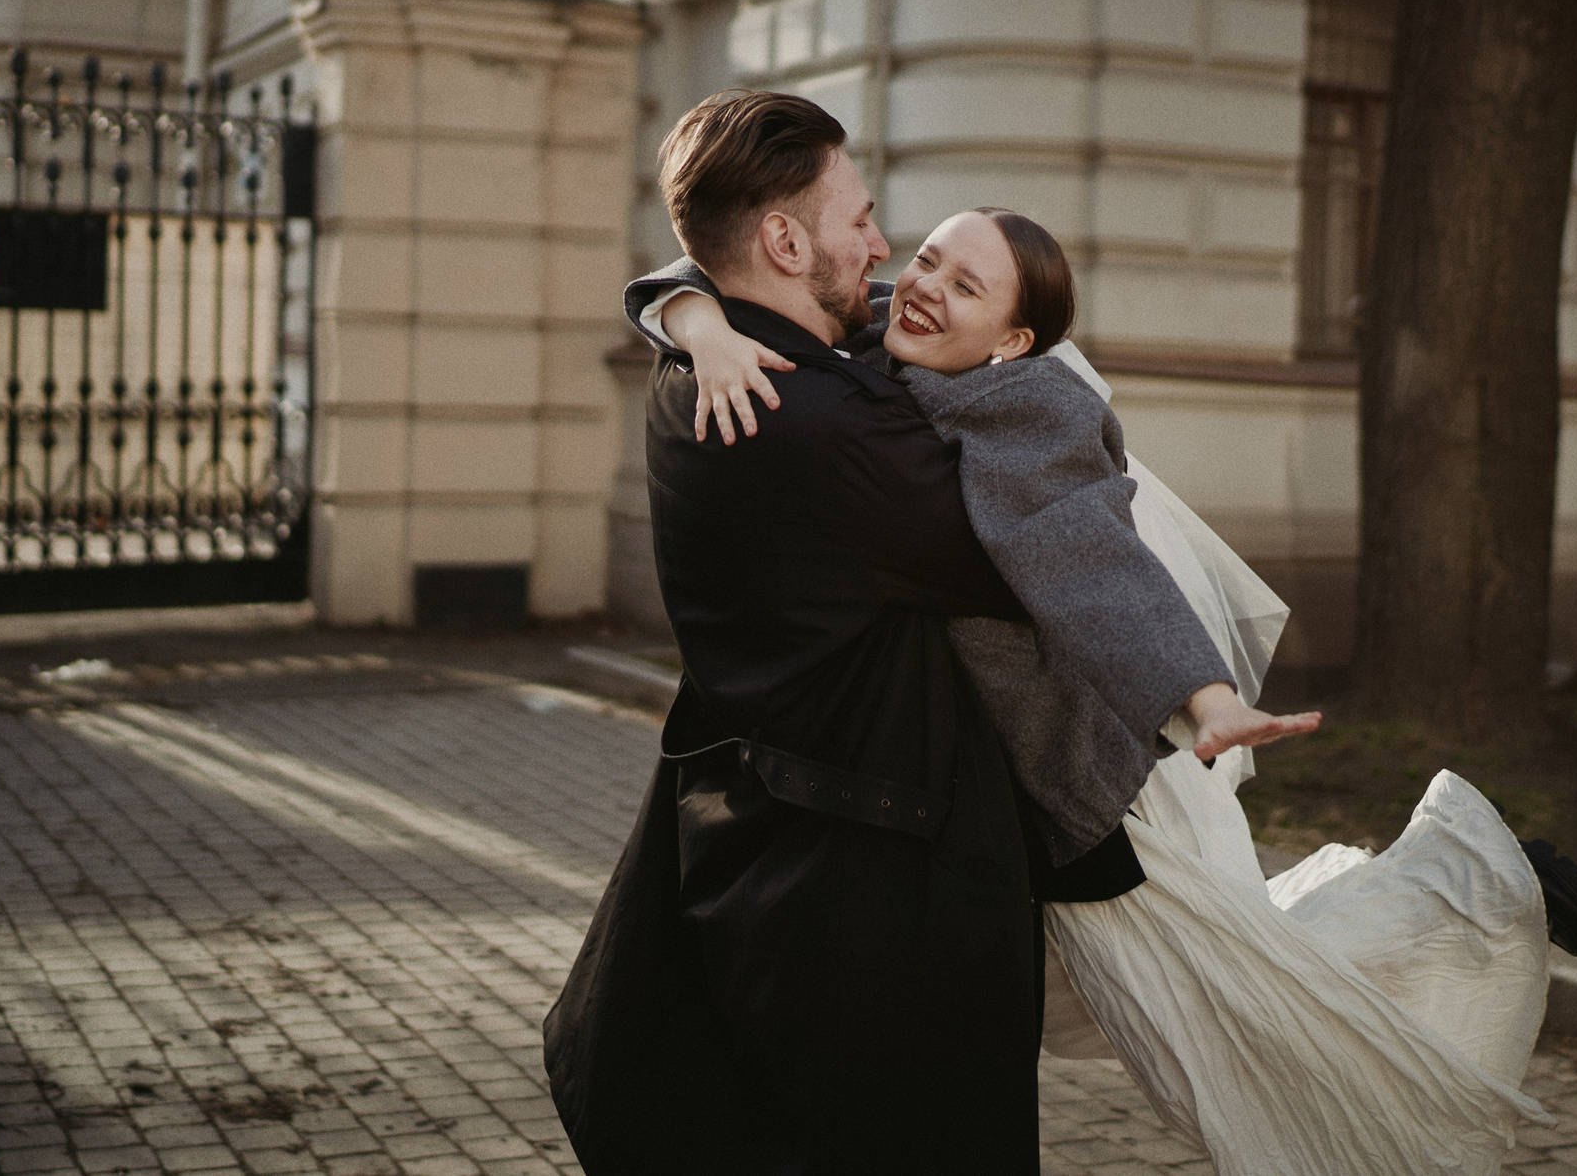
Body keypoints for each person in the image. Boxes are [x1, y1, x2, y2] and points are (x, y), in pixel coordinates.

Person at [633, 202, 1577, 1176]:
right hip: (998, 801)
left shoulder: (1027, 414)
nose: (925, 286)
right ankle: (1468, 884)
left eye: (963, 284)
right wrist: (696, 322)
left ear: (1012, 338)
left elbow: (1093, 563)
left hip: (1087, 776)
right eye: (929, 260)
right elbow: (718, 267)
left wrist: (1206, 697)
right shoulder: (889, 340)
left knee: (1211, 1010)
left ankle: (1486, 881)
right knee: (1155, 998)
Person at [541, 90, 1306, 1176]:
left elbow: (713, 283)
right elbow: (1061, 558)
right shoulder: (819, 426)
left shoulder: (707, 374)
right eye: (859, 220)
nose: (885, 249)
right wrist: (1201, 692)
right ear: (782, 238)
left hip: (763, 852)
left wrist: (689, 311)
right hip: (869, 903)